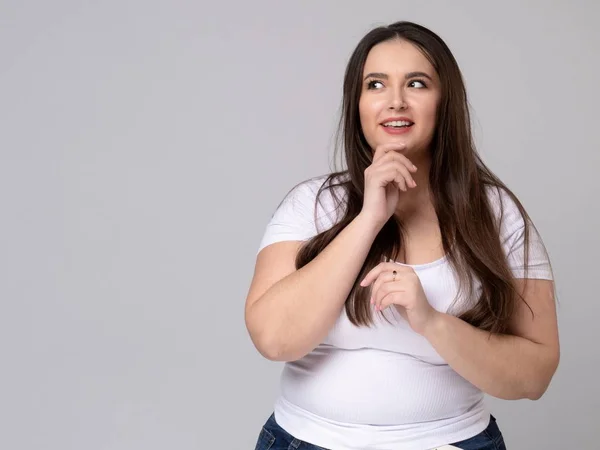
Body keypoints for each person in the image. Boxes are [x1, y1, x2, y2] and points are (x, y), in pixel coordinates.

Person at [245, 20, 559, 450]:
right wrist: (368, 220)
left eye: (416, 83)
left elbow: (535, 375)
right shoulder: (312, 205)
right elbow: (274, 338)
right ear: (357, 104)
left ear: (444, 100)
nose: (395, 102)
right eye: (375, 85)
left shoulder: (497, 214)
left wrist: (431, 322)